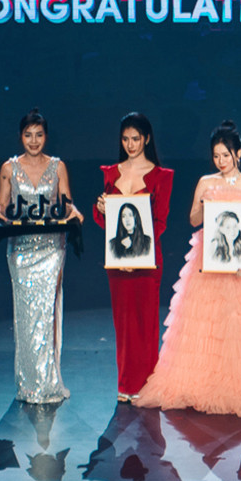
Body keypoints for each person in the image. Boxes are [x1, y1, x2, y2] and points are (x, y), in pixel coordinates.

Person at [134, 120, 241, 417]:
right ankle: (203, 383)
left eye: (226, 155)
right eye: (216, 156)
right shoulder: (205, 182)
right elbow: (193, 219)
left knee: (240, 324)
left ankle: (238, 385)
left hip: (239, 262)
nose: (221, 161)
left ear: (238, 153)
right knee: (205, 326)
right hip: (208, 262)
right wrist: (205, 206)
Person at [0, 108, 84, 403]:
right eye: (28, 135)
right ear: (21, 136)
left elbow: (66, 203)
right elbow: (2, 205)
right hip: (20, 249)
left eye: (39, 135)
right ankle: (29, 383)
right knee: (25, 314)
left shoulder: (57, 167)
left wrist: (74, 211)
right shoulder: (9, 168)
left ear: (46, 136)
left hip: (51, 248)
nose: (33, 141)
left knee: (46, 312)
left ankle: (48, 382)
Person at [93, 112, 173, 401]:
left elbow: (160, 222)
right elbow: (107, 223)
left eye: (135, 139)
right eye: (125, 139)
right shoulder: (111, 173)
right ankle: (126, 385)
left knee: (146, 321)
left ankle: (147, 385)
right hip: (117, 260)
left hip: (147, 260)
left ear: (146, 139)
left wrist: (137, 255)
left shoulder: (161, 176)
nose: (130, 144)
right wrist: (101, 209)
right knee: (124, 322)